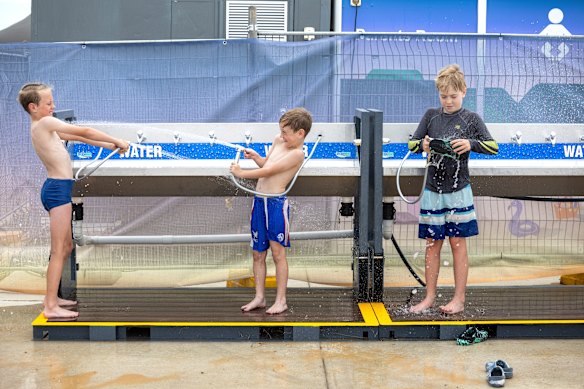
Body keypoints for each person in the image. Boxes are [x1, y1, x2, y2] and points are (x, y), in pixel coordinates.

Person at [18, 83, 129, 319]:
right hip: (57, 191)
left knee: (66, 247)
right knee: (59, 250)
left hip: (59, 190)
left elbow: (80, 138)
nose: (53, 106)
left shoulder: (45, 128)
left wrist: (110, 146)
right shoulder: (44, 123)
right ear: (33, 107)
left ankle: (53, 298)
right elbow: (85, 131)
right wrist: (117, 139)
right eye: (49, 103)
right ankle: (49, 305)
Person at [408, 65, 498, 314]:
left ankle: (459, 299)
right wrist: (424, 146)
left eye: (453, 96)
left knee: (458, 243)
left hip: (459, 190)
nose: (448, 101)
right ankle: (429, 297)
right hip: (432, 191)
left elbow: (493, 146)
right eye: (443, 96)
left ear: (464, 92)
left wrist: (470, 143)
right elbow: (412, 143)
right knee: (432, 243)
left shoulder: (471, 119)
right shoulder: (431, 116)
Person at [230, 107, 312, 314]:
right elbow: (266, 164)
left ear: (300, 133)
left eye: (286, 133)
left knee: (278, 254)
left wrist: (241, 173)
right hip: (259, 202)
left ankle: (281, 300)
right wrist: (256, 157)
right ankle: (259, 297)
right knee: (258, 253)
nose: (282, 136)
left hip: (275, 204)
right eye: (281, 131)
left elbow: (270, 171)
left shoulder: (297, 154)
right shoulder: (279, 141)